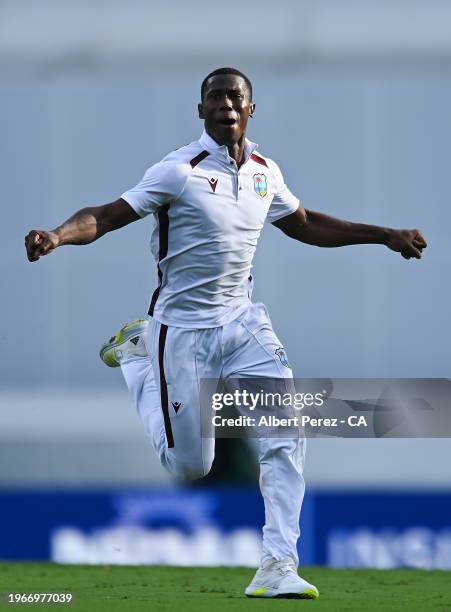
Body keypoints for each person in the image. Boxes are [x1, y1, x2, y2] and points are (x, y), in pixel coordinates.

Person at [25, 67, 427, 598]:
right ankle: (136, 353)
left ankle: (278, 564)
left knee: (287, 430)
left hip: (242, 323)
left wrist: (384, 235)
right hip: (181, 330)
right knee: (193, 466)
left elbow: (305, 224)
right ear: (201, 111)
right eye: (214, 97)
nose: (226, 104)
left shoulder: (264, 171)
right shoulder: (179, 171)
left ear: (251, 110)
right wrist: (58, 234)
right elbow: (104, 215)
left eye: (235, 96)